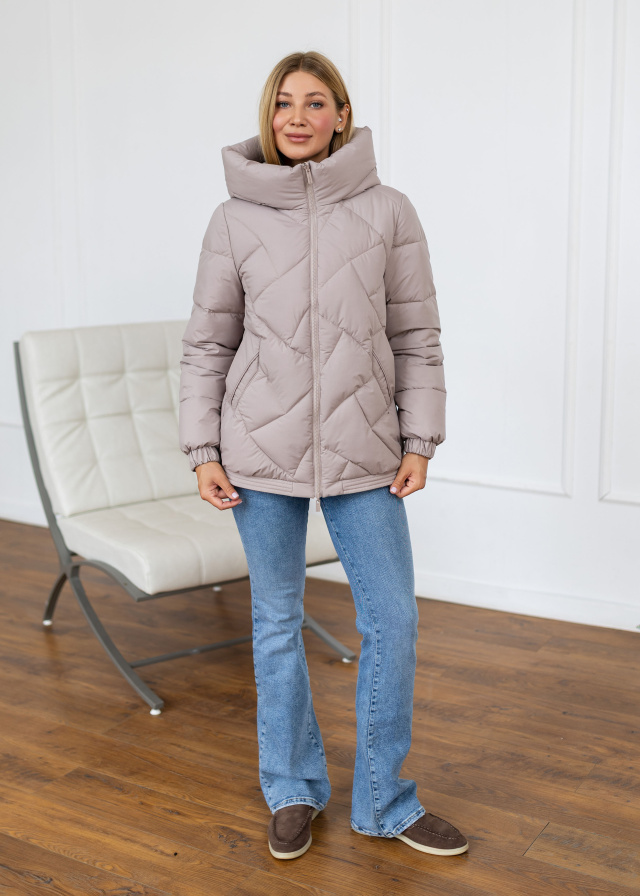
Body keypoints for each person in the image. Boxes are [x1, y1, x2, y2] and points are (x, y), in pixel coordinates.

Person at [179, 50, 468, 861]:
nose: (298, 117)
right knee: (276, 622)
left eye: (315, 102)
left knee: (392, 620)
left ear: (342, 115)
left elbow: (417, 335)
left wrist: (420, 438)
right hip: (256, 448)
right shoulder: (233, 219)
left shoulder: (388, 210)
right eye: (284, 103)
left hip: (365, 444)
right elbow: (207, 344)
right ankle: (293, 789)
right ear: (268, 117)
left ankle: (385, 801)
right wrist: (202, 448)